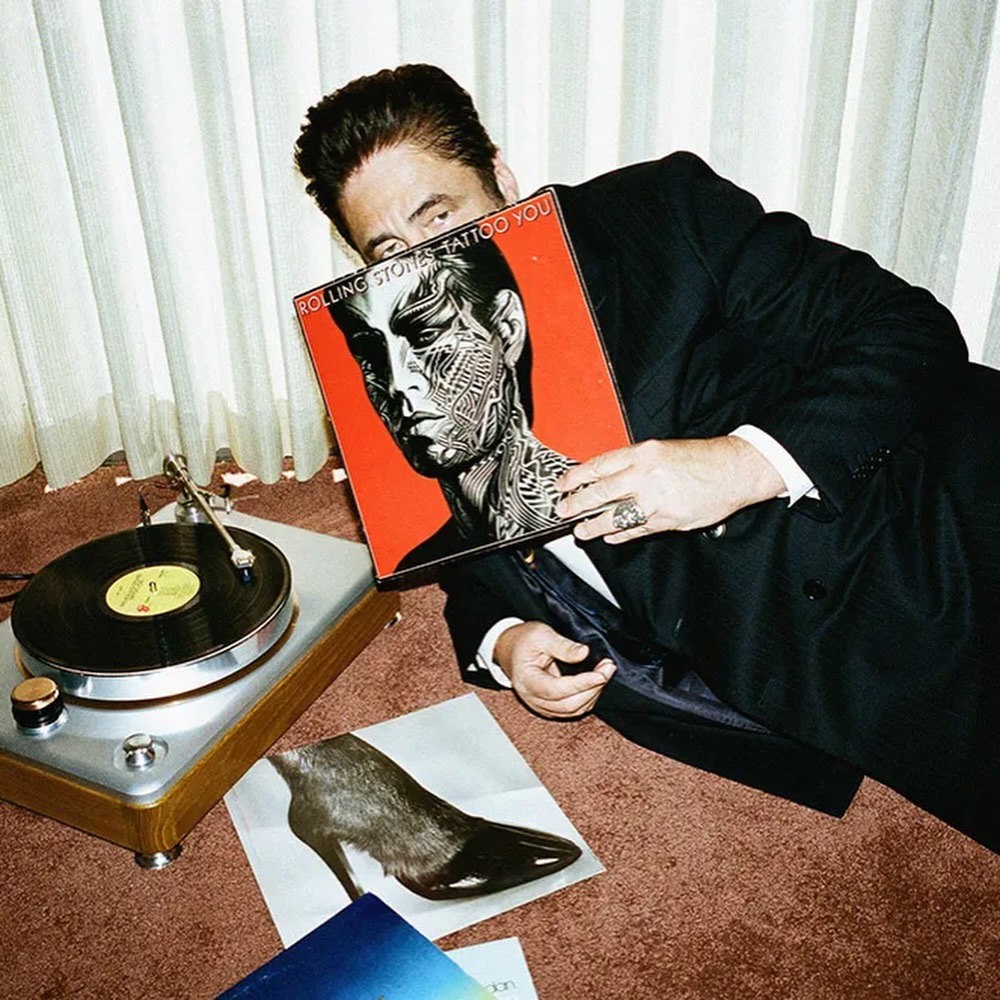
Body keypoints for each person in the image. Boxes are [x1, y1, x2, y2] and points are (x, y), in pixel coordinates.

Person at [295, 64, 1000, 853]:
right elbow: (463, 538)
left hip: (926, 537)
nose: (423, 263)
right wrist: (506, 641)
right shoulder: (403, 365)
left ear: (502, 180)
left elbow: (906, 327)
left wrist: (743, 463)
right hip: (825, 676)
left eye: (441, 218)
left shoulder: (657, 214)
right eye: (388, 249)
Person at [327, 238, 573, 570]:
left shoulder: (602, 500)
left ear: (507, 328)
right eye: (370, 354)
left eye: (426, 336)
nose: (398, 383)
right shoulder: (426, 560)